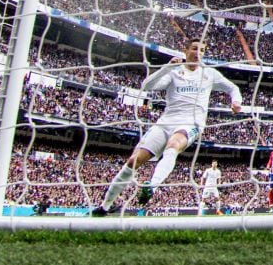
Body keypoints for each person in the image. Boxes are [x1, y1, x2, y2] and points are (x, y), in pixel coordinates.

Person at [91, 38, 242, 216]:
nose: (198, 53)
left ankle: (151, 187)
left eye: (202, 51)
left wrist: (236, 102)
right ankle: (105, 206)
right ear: (185, 51)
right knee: (133, 161)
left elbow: (232, 88)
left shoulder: (209, 74)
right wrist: (167, 67)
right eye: (194, 49)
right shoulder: (174, 71)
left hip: (191, 123)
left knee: (174, 145)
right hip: (165, 122)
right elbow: (146, 86)